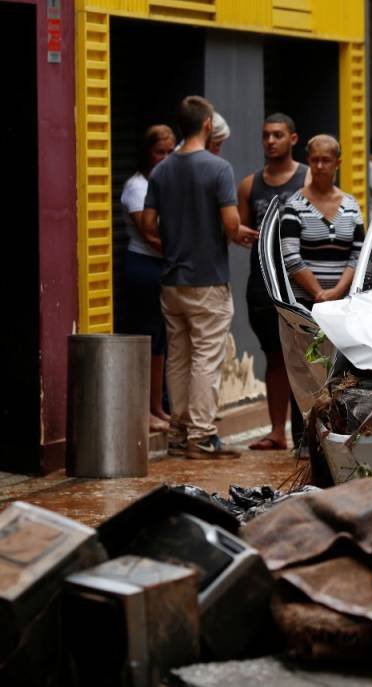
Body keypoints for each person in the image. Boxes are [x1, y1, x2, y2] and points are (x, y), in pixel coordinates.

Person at [140, 95, 259, 459]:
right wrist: (236, 232)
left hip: (172, 280)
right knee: (206, 358)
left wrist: (176, 245)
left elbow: (147, 224)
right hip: (207, 280)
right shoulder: (218, 168)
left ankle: (178, 434)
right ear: (208, 125)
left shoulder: (161, 171)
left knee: (178, 356)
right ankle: (202, 436)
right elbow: (229, 222)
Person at [238, 113, 308, 452]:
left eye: (278, 135)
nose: (270, 141)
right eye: (266, 135)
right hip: (262, 286)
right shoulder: (250, 185)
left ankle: (307, 432)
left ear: (292, 139)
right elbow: (241, 229)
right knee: (275, 358)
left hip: (301, 286)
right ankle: (277, 432)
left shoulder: (308, 179)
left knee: (306, 360)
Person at [120, 124, 176, 433]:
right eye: (159, 152)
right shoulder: (137, 187)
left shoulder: (162, 184)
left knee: (159, 343)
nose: (165, 158)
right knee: (145, 339)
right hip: (143, 267)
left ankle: (156, 407)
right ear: (146, 152)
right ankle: (142, 409)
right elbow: (151, 234)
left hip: (163, 267)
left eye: (170, 152)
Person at [280, 134, 364, 308]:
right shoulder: (294, 205)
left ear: (337, 163)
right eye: (315, 160)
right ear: (308, 161)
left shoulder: (351, 205)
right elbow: (290, 256)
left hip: (342, 303)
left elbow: (358, 255)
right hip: (303, 304)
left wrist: (338, 291)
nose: (319, 166)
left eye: (326, 160)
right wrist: (320, 294)